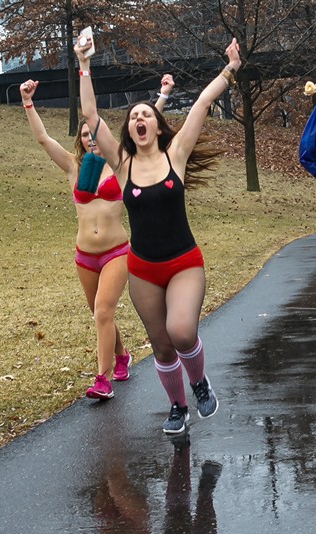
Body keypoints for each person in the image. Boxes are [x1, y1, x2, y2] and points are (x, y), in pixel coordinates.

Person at [76, 32, 239, 433]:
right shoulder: (121, 163)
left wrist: (231, 68)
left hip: (183, 262)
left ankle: (198, 383)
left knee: (181, 332)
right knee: (162, 346)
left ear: (157, 125)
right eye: (134, 116)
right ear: (129, 129)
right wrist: (84, 64)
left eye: (146, 114)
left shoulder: (175, 154)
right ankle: (178, 408)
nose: (139, 119)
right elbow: (91, 115)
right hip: (143, 268)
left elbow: (202, 103)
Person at [19, 76, 172, 401]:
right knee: (100, 313)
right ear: (81, 139)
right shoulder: (74, 167)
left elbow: (143, 126)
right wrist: (28, 102)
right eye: (85, 134)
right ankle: (121, 355)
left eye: (94, 133)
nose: (91, 138)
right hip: (84, 256)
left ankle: (102, 379)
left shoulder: (120, 164)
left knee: (103, 310)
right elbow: (43, 139)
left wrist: (162, 95)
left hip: (116, 252)